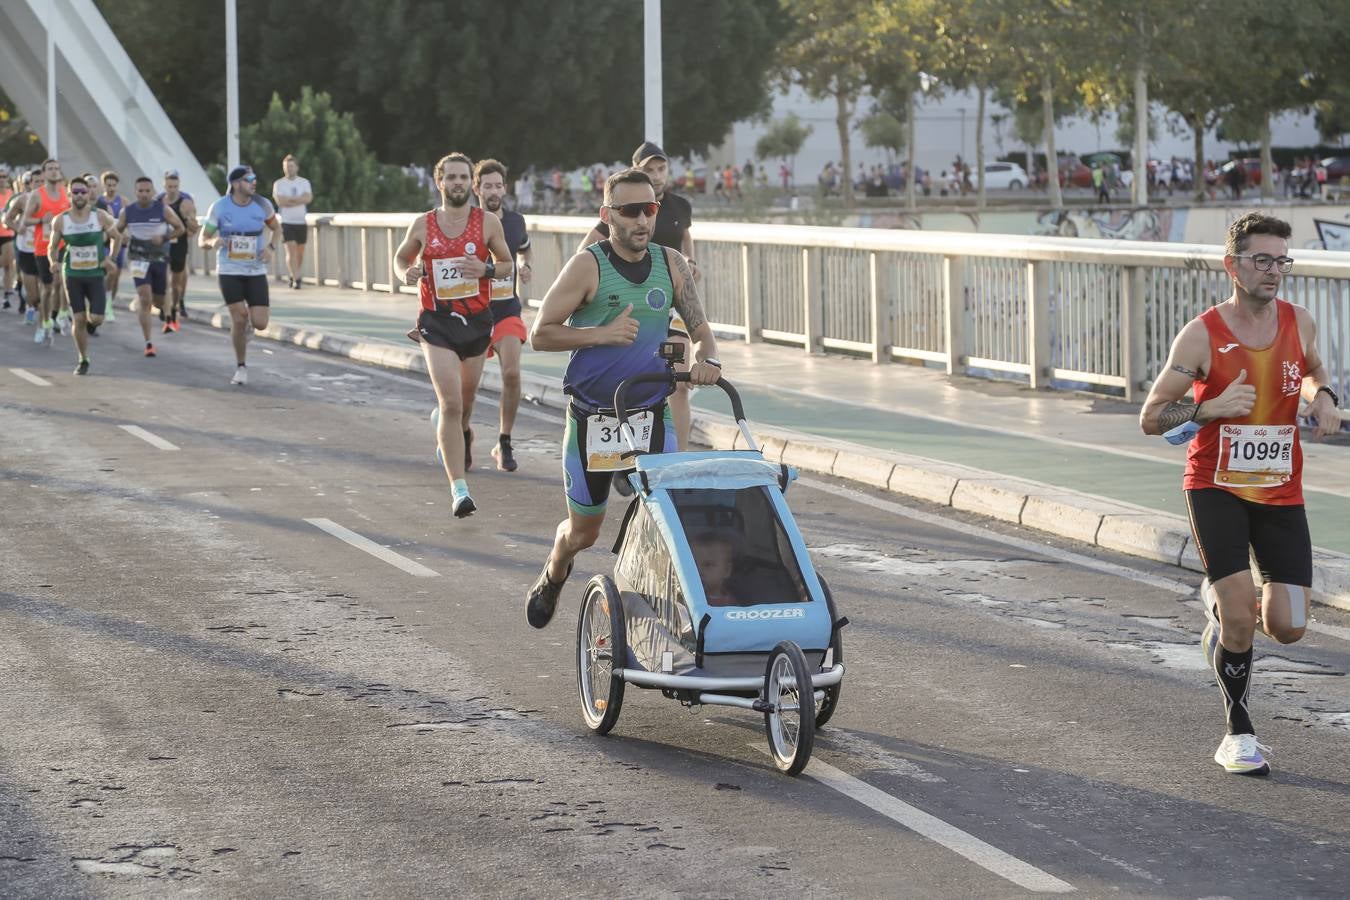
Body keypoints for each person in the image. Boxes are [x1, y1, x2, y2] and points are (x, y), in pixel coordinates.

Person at [1140, 213, 1341, 776]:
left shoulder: (1299, 322)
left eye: (1282, 260)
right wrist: (1209, 408)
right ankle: (1239, 732)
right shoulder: (1202, 333)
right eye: (1262, 260)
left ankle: (1219, 608)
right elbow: (1152, 417)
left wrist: (1323, 395)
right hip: (1216, 487)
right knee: (1240, 617)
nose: (1274, 271)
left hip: (1281, 491)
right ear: (1233, 265)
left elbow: (1314, 370)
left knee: (1290, 625)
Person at [524, 167, 722, 629]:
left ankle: (659, 614)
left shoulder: (670, 263)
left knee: (666, 517)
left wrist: (710, 360)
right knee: (584, 533)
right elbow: (541, 334)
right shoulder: (587, 266)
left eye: (649, 209)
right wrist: (600, 334)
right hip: (592, 419)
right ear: (607, 214)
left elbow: (701, 331)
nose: (641, 220)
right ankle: (555, 569)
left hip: (650, 412)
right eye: (630, 211)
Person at [391, 152, 514, 518]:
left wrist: (486, 268)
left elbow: (507, 265)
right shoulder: (424, 225)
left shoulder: (487, 222)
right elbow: (400, 260)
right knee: (450, 403)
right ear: (439, 182)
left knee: (465, 405)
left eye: (463, 177)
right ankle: (459, 490)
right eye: (451, 177)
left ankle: (456, 430)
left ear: (469, 184)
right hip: (437, 322)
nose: (458, 183)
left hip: (476, 321)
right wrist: (407, 274)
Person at [578, 142, 700, 458]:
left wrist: (691, 265)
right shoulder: (619, 212)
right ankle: (624, 450)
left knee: (681, 382)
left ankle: (678, 460)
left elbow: (687, 246)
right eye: (649, 170)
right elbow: (585, 255)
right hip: (633, 308)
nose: (657, 175)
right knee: (634, 381)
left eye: (661, 168)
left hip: (670, 307)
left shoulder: (680, 207)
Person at [471, 158, 533, 473]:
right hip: (471, 313)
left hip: (506, 309)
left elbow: (524, 247)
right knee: (464, 385)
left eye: (498, 185)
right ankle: (462, 432)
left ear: (504, 188)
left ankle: (504, 440)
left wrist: (524, 265)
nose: (494, 191)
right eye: (487, 186)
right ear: (476, 188)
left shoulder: (515, 222)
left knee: (511, 374)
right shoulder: (465, 223)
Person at [199, 165, 282, 385]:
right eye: (249, 179)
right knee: (239, 316)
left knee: (261, 323)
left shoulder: (262, 204)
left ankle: (248, 329)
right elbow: (202, 239)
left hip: (255, 270)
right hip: (229, 270)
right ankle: (241, 366)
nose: (254, 182)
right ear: (236, 184)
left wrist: (271, 248)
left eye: (254, 178)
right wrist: (212, 241)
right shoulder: (219, 207)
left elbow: (277, 228)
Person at [45, 177, 122, 375]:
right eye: (75, 192)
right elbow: (52, 247)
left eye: (83, 192)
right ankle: (83, 359)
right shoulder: (61, 220)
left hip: (95, 273)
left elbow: (117, 237)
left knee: (96, 319)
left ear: (89, 194)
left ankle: (89, 323)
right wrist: (53, 261)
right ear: (70, 194)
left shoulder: (100, 216)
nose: (79, 195)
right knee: (78, 318)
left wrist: (110, 258)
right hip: (72, 274)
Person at [117, 176, 186, 357]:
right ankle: (148, 343)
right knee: (145, 297)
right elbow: (116, 230)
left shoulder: (163, 209)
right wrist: (121, 238)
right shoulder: (128, 211)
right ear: (136, 192)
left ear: (153, 192)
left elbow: (180, 228)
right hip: (138, 259)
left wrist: (163, 238)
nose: (144, 194)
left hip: (159, 259)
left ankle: (169, 312)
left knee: (157, 301)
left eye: (147, 191)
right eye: (140, 191)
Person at [24, 158, 70, 344]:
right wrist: (42, 220)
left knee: (61, 283)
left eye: (56, 169)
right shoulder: (37, 195)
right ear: (43, 173)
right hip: (43, 248)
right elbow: (25, 221)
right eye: (50, 169)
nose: (54, 172)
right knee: (48, 287)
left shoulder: (65, 194)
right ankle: (43, 323)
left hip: (63, 245)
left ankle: (59, 315)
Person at [160, 170, 199, 323]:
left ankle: (176, 304)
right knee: (163, 279)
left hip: (179, 244)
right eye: (169, 186)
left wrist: (186, 218)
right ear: (164, 185)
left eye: (175, 186)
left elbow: (194, 228)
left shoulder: (186, 202)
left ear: (179, 185)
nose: (172, 190)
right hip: (162, 245)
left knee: (176, 281)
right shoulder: (158, 201)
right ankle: (166, 307)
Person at [272, 154, 313, 289]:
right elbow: (280, 201)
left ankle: (293, 274)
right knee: (291, 250)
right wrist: (297, 200)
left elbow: (307, 198)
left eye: (291, 166)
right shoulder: (279, 184)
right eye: (286, 167)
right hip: (286, 221)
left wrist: (289, 201)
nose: (289, 169)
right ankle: (297, 279)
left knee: (299, 252)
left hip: (300, 221)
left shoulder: (304, 182)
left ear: (297, 167)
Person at [5, 170, 40, 323]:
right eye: (36, 181)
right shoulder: (21, 200)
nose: (40, 184)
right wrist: (18, 228)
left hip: (45, 247)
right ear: (30, 184)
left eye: (42, 181)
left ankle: (47, 317)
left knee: (47, 286)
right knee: (32, 292)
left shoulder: (54, 200)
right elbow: (7, 220)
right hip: (25, 246)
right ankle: (31, 305)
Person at [95, 171, 126, 318]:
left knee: (116, 275)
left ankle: (109, 302)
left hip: (119, 240)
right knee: (106, 271)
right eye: (108, 185)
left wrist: (126, 234)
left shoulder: (123, 201)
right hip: (105, 241)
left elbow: (128, 221)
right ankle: (102, 301)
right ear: (103, 185)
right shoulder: (100, 201)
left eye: (114, 185)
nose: (111, 188)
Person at [690, 529, 741, 607]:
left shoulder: (733, 606)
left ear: (726, 570)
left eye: (708, 565)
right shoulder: (689, 601)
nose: (698, 571)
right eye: (693, 565)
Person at [0, 169, 16, 310]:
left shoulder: (12, 196)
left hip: (7, 234)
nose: (2, 179)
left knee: (8, 264)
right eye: (0, 177)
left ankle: (7, 295)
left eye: (4, 177)